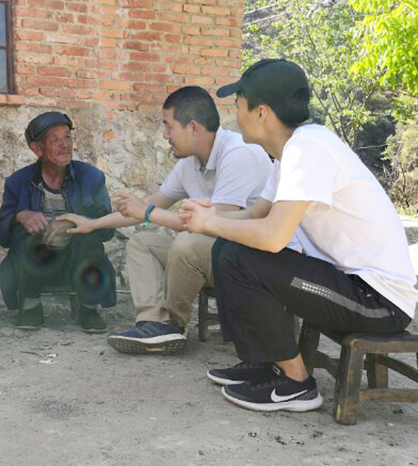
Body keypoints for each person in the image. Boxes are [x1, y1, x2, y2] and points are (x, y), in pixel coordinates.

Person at [179, 59, 417, 413]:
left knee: (243, 258)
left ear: (261, 112)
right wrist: (210, 215)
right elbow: (256, 215)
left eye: (238, 105)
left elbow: (272, 237)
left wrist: (209, 224)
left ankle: (297, 383)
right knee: (228, 247)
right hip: (347, 284)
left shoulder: (309, 149)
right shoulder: (290, 152)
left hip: (378, 302)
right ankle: (263, 361)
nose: (235, 116)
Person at [60, 87, 272, 354]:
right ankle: (152, 323)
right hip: (215, 255)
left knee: (187, 243)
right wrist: (92, 223)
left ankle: (173, 326)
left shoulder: (239, 153)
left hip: (247, 258)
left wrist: (147, 213)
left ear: (193, 127)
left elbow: (216, 225)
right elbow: (150, 203)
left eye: (168, 126)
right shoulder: (189, 162)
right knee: (142, 243)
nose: (164, 135)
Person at [0, 112, 117, 332]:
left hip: (77, 262)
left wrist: (76, 223)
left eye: (67, 137)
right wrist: (20, 216)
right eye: (55, 140)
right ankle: (31, 306)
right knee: (24, 232)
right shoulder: (17, 182)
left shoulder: (91, 177)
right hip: (35, 264)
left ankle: (89, 308)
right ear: (37, 148)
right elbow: (2, 236)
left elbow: (107, 229)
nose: (65, 145)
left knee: (87, 236)